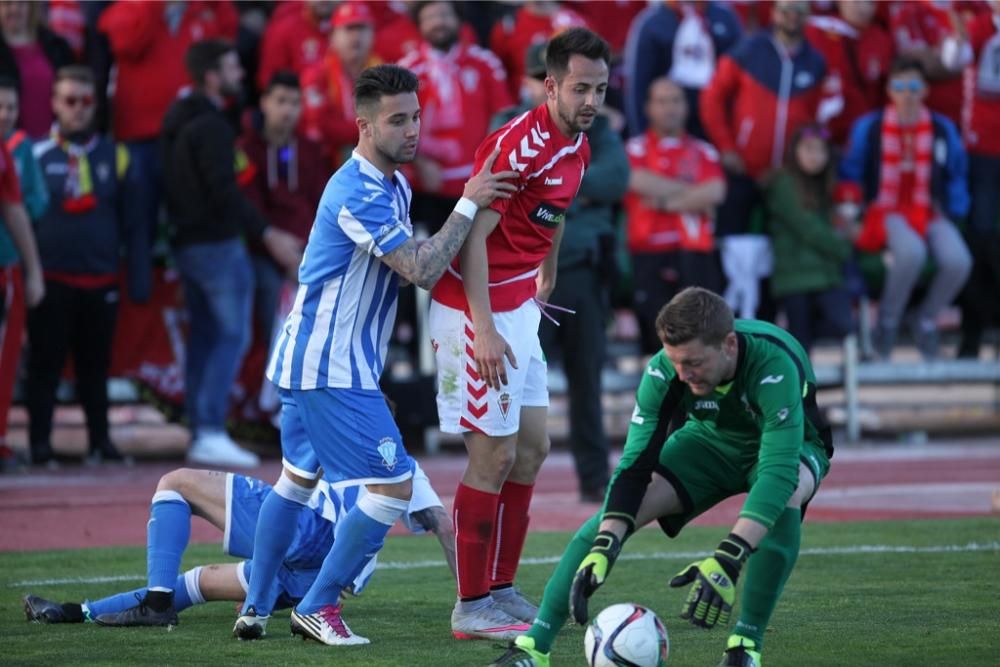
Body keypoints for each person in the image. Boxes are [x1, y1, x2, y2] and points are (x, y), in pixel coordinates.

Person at [234, 63, 517, 645]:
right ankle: (318, 607)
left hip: (315, 359)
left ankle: (255, 606)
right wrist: (466, 205)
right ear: (364, 126)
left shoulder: (393, 185)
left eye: (416, 117)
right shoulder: (356, 189)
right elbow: (419, 268)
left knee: (294, 481)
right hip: (330, 367)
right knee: (389, 486)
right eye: (397, 120)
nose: (412, 130)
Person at [490, 287, 833, 667]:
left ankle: (744, 647)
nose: (684, 374)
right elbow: (634, 466)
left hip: (794, 447)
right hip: (708, 442)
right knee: (610, 518)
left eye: (695, 363)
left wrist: (729, 556)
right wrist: (607, 543)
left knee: (786, 493)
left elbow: (777, 470)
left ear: (729, 345)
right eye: (677, 362)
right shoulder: (664, 369)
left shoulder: (774, 363)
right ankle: (533, 648)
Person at [429, 27, 609, 641]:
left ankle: (500, 589)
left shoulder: (577, 144)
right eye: (580, 87)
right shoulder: (518, 145)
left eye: (601, 89)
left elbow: (552, 213)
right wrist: (484, 329)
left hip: (519, 303)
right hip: (471, 307)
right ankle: (469, 605)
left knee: (532, 450)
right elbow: (474, 238)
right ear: (551, 84)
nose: (591, 100)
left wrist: (548, 268)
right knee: (494, 453)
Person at [23, 460, 456, 627]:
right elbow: (443, 524)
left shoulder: (334, 416)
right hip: (329, 576)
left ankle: (157, 601)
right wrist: (468, 597)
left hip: (308, 530)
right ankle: (75, 613)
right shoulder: (404, 463)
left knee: (174, 484)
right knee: (201, 582)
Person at [161, 39, 304, 468]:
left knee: (206, 337)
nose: (240, 75)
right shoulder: (213, 126)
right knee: (230, 337)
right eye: (231, 68)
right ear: (211, 76)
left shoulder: (178, 119)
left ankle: (202, 429)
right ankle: (208, 430)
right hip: (218, 245)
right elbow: (226, 192)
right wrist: (268, 233)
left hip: (188, 243)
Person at [27, 65, 147, 467]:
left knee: (96, 369)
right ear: (54, 104)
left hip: (101, 280)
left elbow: (135, 224)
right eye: (69, 101)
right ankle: (39, 446)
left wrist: (140, 276)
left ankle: (101, 442)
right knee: (45, 367)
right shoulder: (36, 153)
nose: (78, 109)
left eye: (86, 101)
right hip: (50, 279)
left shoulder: (118, 155)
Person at [699, 0, 827, 320]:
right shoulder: (748, 50)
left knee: (776, 252)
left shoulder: (815, 62)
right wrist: (727, 147)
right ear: (774, 12)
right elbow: (712, 97)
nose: (791, 17)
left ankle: (766, 325)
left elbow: (815, 120)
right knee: (730, 246)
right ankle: (721, 320)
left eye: (798, 10)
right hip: (742, 170)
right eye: (785, 9)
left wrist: (798, 164)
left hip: (786, 177)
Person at [840, 57, 972, 360]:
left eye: (914, 86)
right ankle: (887, 323)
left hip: (928, 209)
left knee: (959, 260)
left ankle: (925, 319)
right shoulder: (870, 128)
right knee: (912, 252)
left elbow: (956, 172)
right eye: (900, 86)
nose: (908, 94)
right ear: (889, 90)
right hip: (885, 210)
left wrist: (955, 210)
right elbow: (850, 174)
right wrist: (851, 215)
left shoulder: (942, 128)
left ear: (925, 90)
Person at [625, 77, 726, 355]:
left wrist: (664, 202)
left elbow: (716, 191)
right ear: (648, 107)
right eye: (661, 101)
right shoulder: (635, 148)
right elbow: (636, 180)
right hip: (649, 253)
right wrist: (693, 195)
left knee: (702, 338)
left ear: (686, 107)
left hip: (694, 252)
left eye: (675, 101)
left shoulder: (702, 150)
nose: (669, 108)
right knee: (655, 342)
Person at [399, 0, 512, 234]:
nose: (438, 22)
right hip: (424, 189)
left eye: (444, 15)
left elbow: (505, 120)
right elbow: (395, 124)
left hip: (476, 185)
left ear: (459, 20)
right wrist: (417, 161)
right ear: (418, 25)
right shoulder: (406, 70)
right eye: (430, 17)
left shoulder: (485, 63)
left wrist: (490, 168)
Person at [238, 71, 327, 349]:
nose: (288, 110)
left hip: (307, 252)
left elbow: (323, 207)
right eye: (281, 101)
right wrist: (285, 257)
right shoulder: (246, 149)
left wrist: (306, 255)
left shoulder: (311, 151)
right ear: (264, 103)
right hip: (263, 253)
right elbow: (249, 210)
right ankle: (270, 387)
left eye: (295, 103)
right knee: (270, 295)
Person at [764, 123, 856, 354]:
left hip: (825, 274)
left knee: (842, 325)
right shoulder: (784, 183)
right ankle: (802, 389)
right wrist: (843, 248)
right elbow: (808, 229)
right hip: (794, 276)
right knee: (801, 345)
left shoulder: (827, 185)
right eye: (809, 149)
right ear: (795, 151)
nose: (815, 157)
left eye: (821, 150)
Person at [0, 74, 46, 471]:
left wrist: (32, 270)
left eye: (10, 106)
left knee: (5, 359)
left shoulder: (12, 151)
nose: (4, 115)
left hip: (4, 265)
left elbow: (18, 207)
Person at [623, 0, 742, 139]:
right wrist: (640, 137)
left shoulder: (725, 17)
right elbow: (637, 86)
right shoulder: (652, 22)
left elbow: (740, 79)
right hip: (667, 124)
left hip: (716, 121)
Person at [300, 1, 380, 168]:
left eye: (362, 28)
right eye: (349, 28)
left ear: (373, 34)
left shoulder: (384, 73)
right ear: (333, 36)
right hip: (325, 162)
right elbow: (322, 125)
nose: (356, 36)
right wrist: (373, 128)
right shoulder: (317, 75)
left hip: (375, 159)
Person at [0, 0, 75, 139]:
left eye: (21, 4)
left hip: (55, 143)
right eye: (7, 3)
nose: (15, 9)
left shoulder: (56, 45)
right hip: (9, 144)